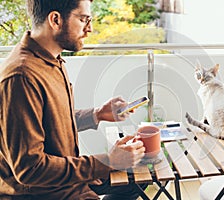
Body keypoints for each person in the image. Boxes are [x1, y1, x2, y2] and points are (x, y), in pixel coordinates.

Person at [0, 0, 147, 199]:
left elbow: (50, 121)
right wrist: (106, 163)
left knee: (140, 177)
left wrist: (97, 114)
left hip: (66, 181)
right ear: (55, 20)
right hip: (46, 192)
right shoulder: (21, 77)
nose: (90, 29)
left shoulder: (51, 59)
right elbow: (30, 169)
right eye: (83, 19)